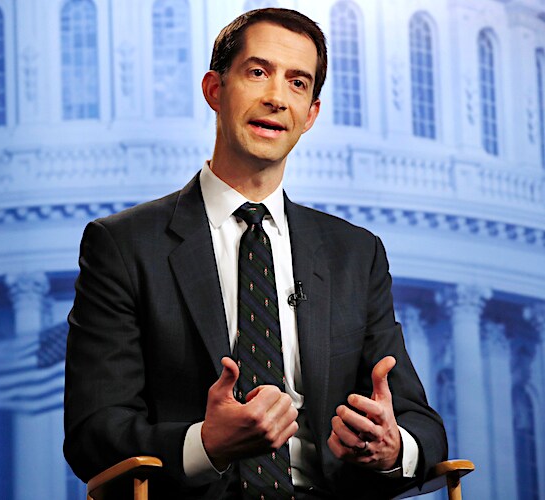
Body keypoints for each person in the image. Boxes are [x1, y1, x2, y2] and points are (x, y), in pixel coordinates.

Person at [64, 8, 447, 499]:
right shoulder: (123, 246)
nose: (275, 99)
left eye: (298, 83)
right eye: (258, 72)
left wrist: (393, 447)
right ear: (214, 90)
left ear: (311, 115)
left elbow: (423, 425)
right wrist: (206, 444)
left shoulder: (355, 254)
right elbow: (94, 432)